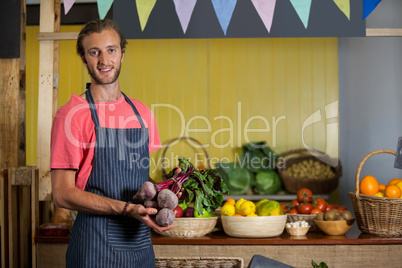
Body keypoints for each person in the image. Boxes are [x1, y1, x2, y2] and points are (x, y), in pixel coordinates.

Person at [50, 19, 172, 267]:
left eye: (111, 50)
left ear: (122, 54)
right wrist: (127, 209)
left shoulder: (143, 114)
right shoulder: (72, 115)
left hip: (139, 244)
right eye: (94, 52)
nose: (104, 60)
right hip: (94, 247)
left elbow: (141, 183)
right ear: (84, 59)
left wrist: (169, 189)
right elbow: (62, 194)